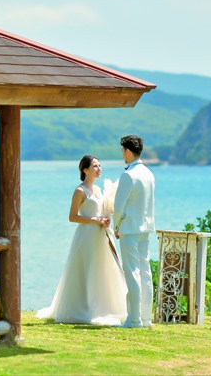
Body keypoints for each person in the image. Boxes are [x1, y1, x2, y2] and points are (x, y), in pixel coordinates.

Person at [36, 155, 127, 325]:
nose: (99, 169)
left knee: (102, 272)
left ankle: (103, 307)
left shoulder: (99, 190)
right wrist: (94, 220)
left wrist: (105, 220)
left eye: (100, 165)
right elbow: (72, 217)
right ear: (85, 169)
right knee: (86, 271)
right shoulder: (80, 191)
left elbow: (102, 212)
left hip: (101, 236)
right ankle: (82, 308)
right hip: (86, 237)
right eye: (95, 166)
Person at [113, 135, 156, 328]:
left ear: (128, 151)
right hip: (146, 228)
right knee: (145, 271)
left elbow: (119, 206)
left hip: (130, 228)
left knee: (132, 272)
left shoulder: (128, 175)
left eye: (123, 151)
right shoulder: (148, 173)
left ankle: (134, 318)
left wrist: (116, 226)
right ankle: (146, 317)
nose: (122, 154)